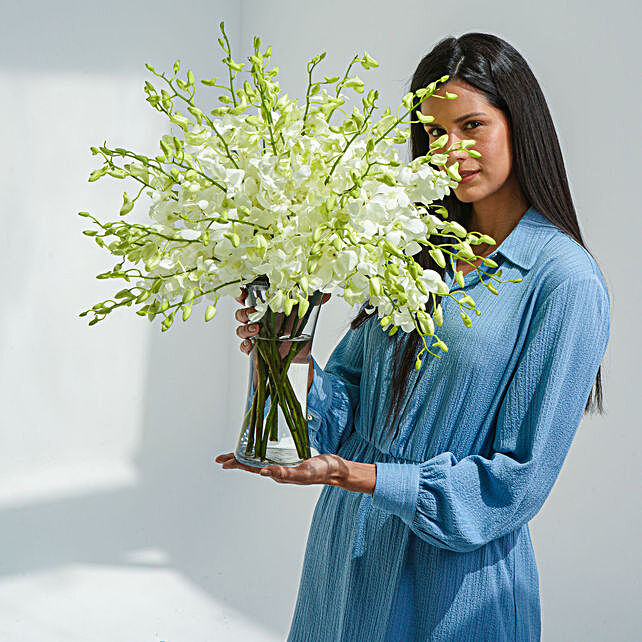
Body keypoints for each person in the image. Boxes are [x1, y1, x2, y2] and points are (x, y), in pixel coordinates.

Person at [216, 32, 610, 641]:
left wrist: (362, 476)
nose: (450, 150)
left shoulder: (563, 281)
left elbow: (515, 482)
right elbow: (344, 409)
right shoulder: (408, 252)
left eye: (472, 124)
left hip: (454, 594)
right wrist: (288, 354)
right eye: (432, 132)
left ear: (521, 124)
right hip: (344, 566)